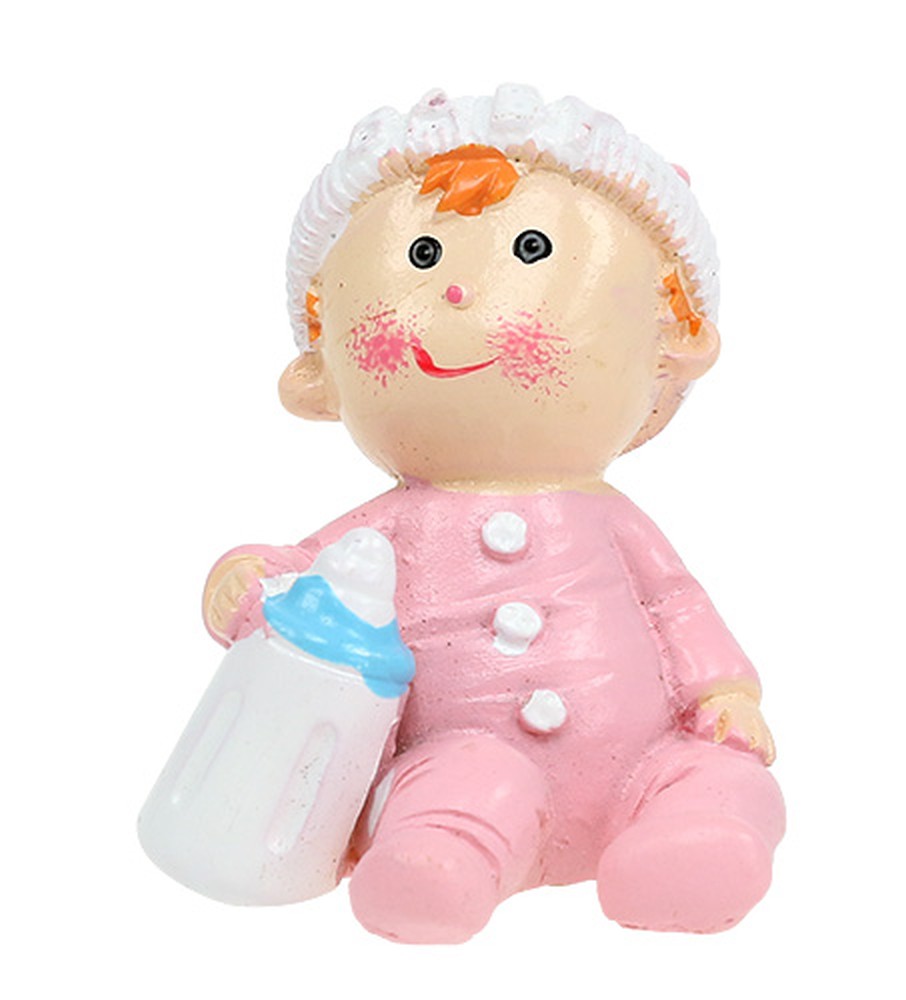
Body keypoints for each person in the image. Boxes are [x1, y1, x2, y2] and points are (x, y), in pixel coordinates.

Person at [202, 85, 785, 943]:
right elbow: (305, 581)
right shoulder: (388, 529)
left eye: (531, 250)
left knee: (719, 777)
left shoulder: (611, 518)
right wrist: (251, 578)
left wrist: (726, 692)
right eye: (424, 255)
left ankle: (689, 845)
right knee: (457, 783)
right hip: (461, 749)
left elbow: (673, 602)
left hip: (642, 758)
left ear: (672, 336)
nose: (463, 291)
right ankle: (440, 865)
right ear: (321, 367)